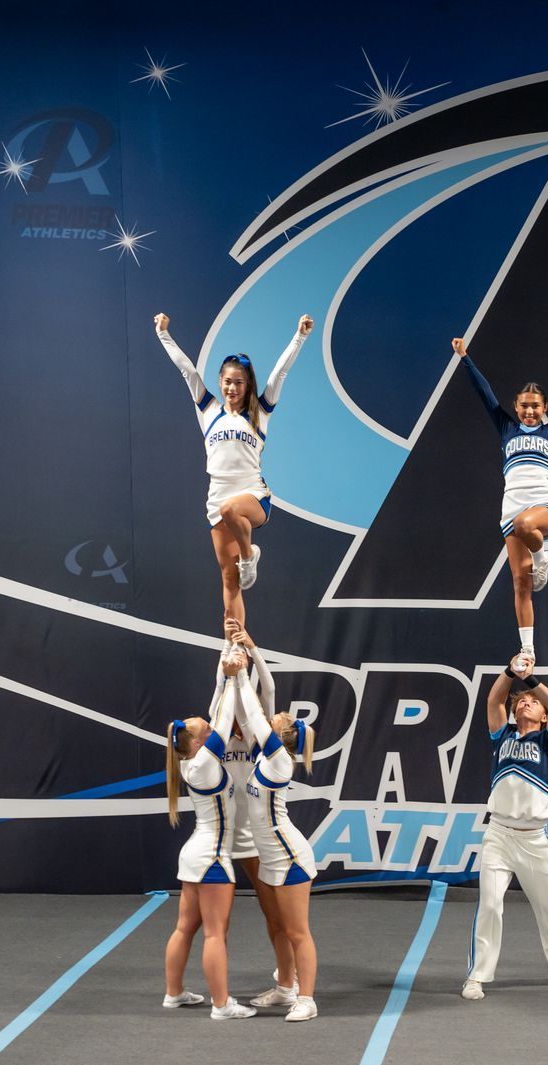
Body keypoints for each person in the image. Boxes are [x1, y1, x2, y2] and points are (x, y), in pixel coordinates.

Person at [449, 336, 548, 667]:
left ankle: (542, 558)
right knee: (520, 583)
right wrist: (464, 357)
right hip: (510, 507)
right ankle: (528, 650)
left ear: (545, 408)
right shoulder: (506, 428)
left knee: (527, 526)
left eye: (535, 405)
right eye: (523, 405)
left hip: (544, 503)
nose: (529, 410)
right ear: (516, 406)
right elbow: (485, 394)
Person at [154, 312, 313, 625]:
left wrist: (300, 336)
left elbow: (279, 374)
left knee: (232, 511)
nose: (232, 388)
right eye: (227, 382)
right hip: (217, 498)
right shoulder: (209, 410)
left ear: (248, 384)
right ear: (220, 382)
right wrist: (163, 334)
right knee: (230, 583)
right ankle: (234, 649)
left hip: (252, 495)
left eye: (239, 382)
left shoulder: (259, 412)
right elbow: (187, 371)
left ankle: (249, 555)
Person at [223, 621, 321, 1023]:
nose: (273, 717)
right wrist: (238, 657)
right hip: (271, 855)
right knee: (279, 926)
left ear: (282, 737)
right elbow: (247, 714)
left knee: (298, 932)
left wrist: (241, 666)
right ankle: (285, 988)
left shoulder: (278, 759)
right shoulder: (266, 754)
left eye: (277, 720)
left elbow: (253, 708)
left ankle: (307, 998)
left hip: (289, 855)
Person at [463, 657, 548, 998]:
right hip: (498, 835)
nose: (525, 701)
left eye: (532, 702)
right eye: (522, 701)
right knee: (490, 905)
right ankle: (477, 976)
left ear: (541, 716)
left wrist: (531, 680)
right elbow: (493, 700)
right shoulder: (502, 735)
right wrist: (510, 672)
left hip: (533, 840)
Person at [162, 649, 256, 1020]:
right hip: (214, 858)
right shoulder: (203, 763)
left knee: (185, 927)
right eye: (201, 726)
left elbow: (217, 712)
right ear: (201, 742)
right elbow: (226, 715)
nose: (204, 720)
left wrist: (224, 673)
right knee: (215, 934)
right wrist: (234, 674)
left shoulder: (193, 759)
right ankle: (222, 1004)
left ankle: (174, 993)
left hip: (195, 854)